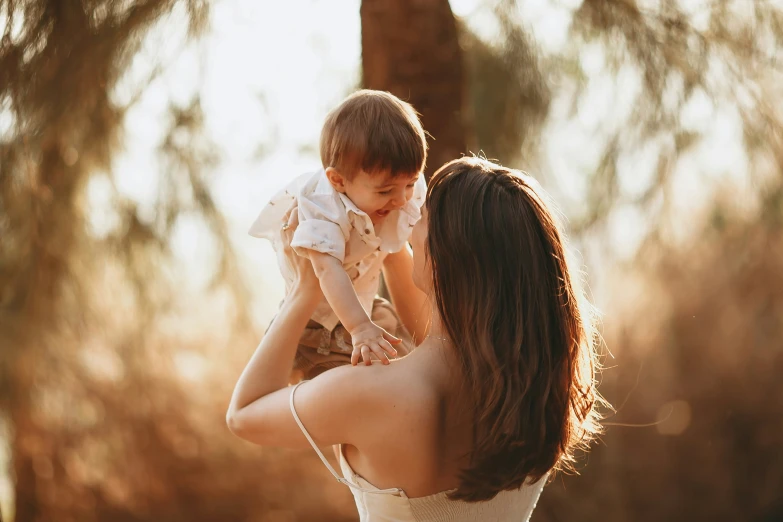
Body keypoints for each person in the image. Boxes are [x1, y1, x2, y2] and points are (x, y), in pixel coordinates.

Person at [228, 157, 603, 521]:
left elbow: (244, 415)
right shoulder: (540, 390)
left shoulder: (373, 394)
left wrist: (304, 290)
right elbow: (434, 333)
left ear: (447, 256)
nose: (409, 220)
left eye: (422, 215)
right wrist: (389, 252)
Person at [248, 90, 428, 379]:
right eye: (385, 191)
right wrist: (359, 328)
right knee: (342, 384)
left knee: (406, 361)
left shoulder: (399, 190)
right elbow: (326, 269)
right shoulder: (321, 205)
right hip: (316, 325)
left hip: (363, 307)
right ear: (338, 180)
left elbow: (403, 253)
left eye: (411, 183)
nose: (402, 200)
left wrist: (427, 334)